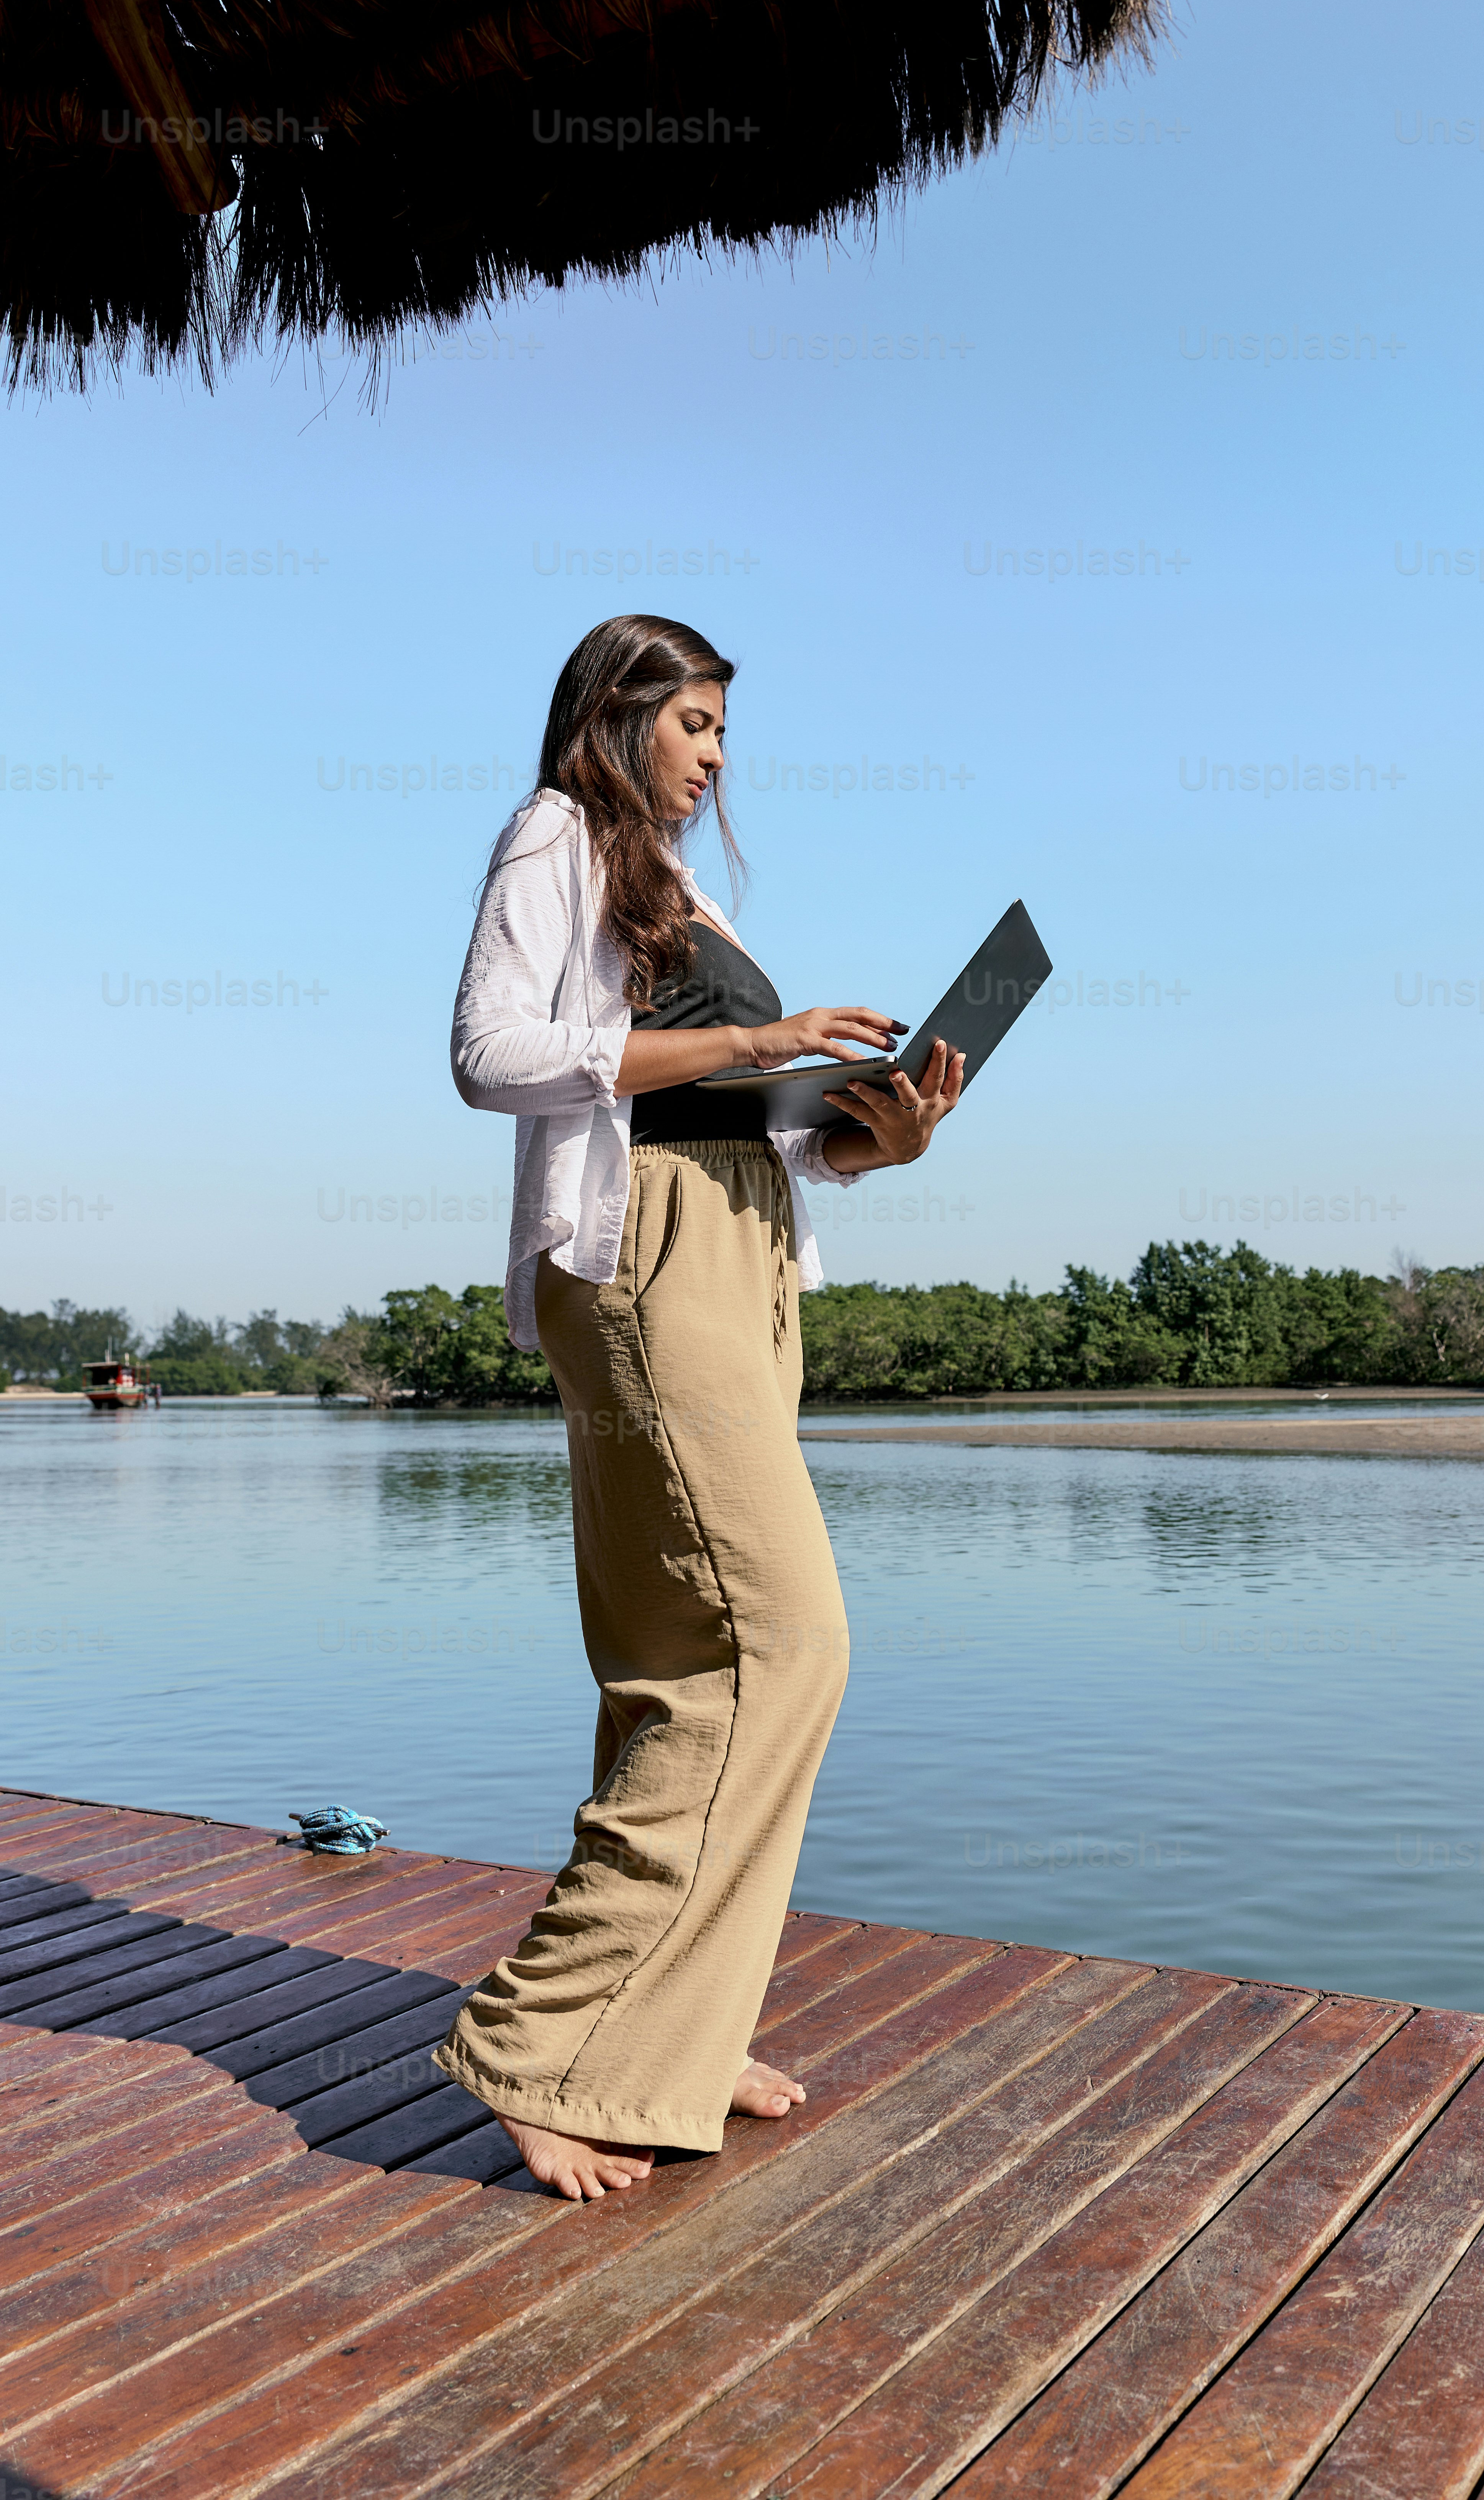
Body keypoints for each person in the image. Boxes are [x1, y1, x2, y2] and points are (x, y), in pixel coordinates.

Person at [432, 614, 964, 2199]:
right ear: (620, 717)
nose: (718, 754)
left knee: (677, 1657)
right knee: (783, 1642)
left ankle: (670, 2029)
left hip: (743, 1255)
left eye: (728, 730)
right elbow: (488, 1054)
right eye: (701, 724)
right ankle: (539, 2045)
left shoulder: (693, 899)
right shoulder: (554, 838)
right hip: (647, 1257)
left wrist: (880, 1137)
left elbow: (771, 1136)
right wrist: (750, 1034)